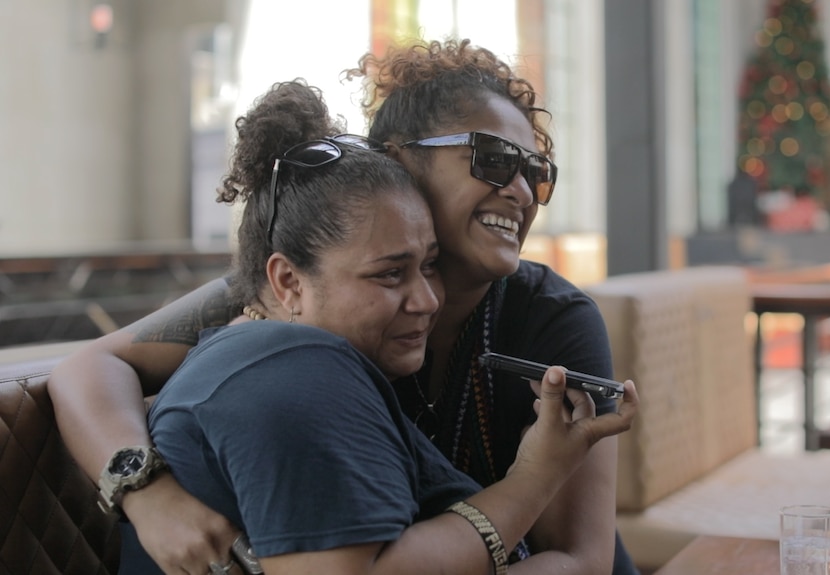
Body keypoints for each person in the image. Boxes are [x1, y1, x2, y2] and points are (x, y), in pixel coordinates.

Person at [48, 39, 639, 574]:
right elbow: (88, 369)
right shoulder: (296, 295)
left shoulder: (552, 317)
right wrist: (149, 495)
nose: (518, 188)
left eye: (535, 172)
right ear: (398, 160)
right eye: (492, 158)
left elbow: (584, 561)